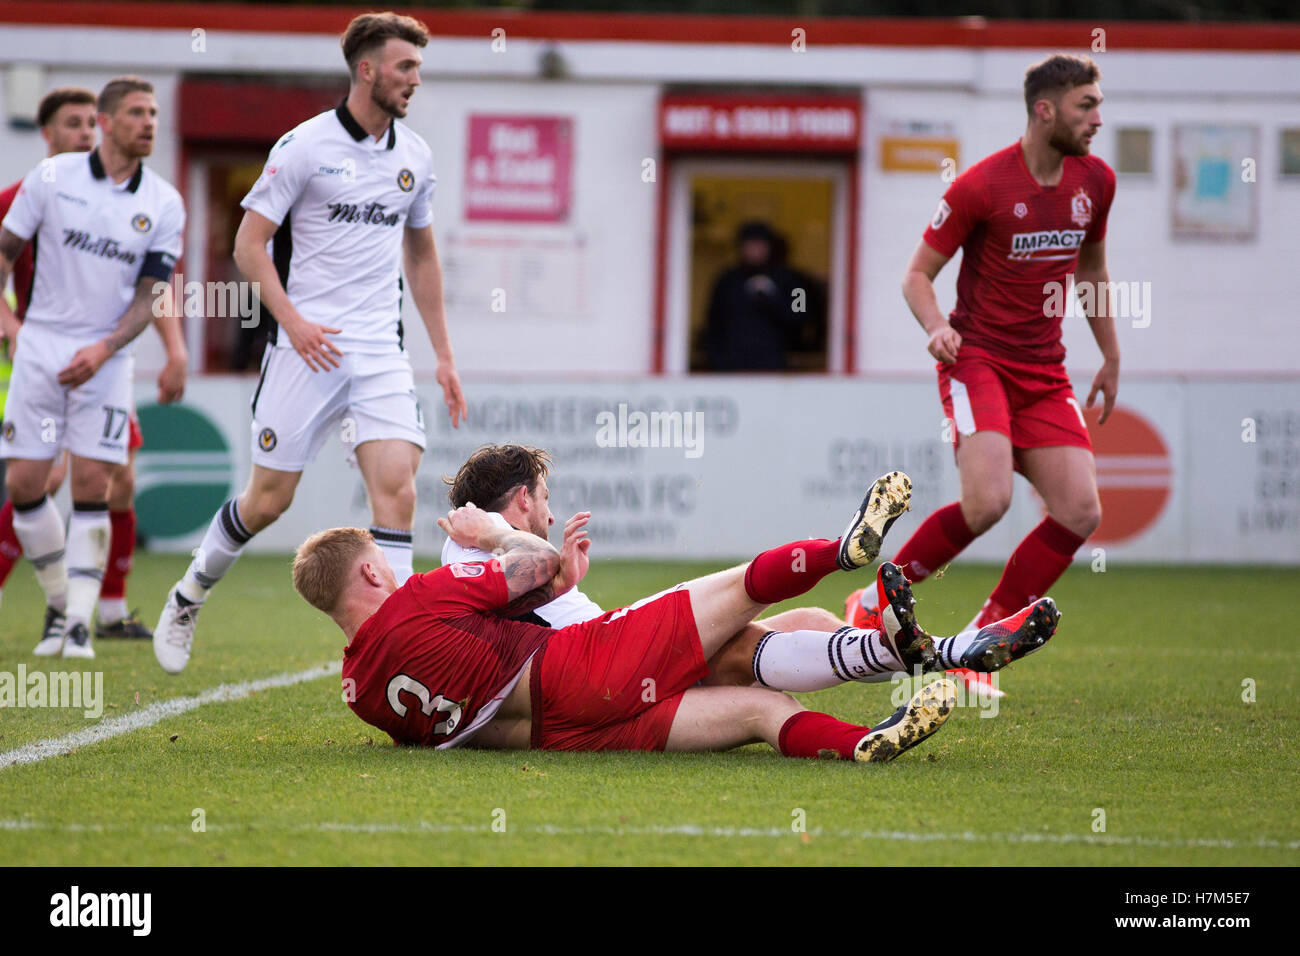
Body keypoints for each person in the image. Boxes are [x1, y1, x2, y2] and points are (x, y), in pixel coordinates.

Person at [292, 473, 1061, 760]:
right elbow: (533, 568)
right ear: (369, 570)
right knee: (747, 596)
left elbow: (474, 728)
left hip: (562, 733)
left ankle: (874, 732)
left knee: (763, 705)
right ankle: (846, 547)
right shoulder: (432, 592)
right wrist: (490, 535)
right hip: (585, 670)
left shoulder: (359, 694)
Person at [153, 11, 468, 674]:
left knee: (399, 491)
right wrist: (292, 321)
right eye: (405, 66)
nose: (415, 78)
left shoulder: (415, 156)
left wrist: (442, 354)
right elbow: (247, 246)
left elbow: (423, 256)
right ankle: (190, 592)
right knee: (269, 500)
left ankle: (403, 653)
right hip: (306, 347)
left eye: (417, 66)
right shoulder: (304, 146)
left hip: (381, 347)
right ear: (367, 70)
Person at [846, 53, 1116, 697]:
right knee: (989, 502)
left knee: (1080, 510)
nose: (1098, 119)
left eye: (1099, 104)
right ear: (1044, 110)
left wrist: (1110, 353)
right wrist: (937, 326)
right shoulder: (981, 187)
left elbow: (1092, 271)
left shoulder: (1096, 182)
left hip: (1045, 371)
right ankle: (873, 603)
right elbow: (916, 275)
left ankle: (979, 644)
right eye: (1087, 105)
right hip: (978, 362)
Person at [0, 77, 185, 659]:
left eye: (154, 112)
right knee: (24, 485)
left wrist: (105, 350)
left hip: (105, 357)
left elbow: (152, 294)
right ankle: (60, 603)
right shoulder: (50, 180)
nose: (149, 122)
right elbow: (3, 256)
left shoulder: (165, 202)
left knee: (95, 484)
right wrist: (13, 330)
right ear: (106, 122)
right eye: (136, 112)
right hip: (40, 347)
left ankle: (82, 622)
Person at [702, 221, 805, 371]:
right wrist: (716, 358)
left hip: (773, 363)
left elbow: (801, 315)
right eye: (749, 245)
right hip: (731, 364)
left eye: (760, 245)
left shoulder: (792, 279)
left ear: (770, 247)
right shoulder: (726, 280)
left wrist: (772, 299)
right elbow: (712, 320)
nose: (754, 250)